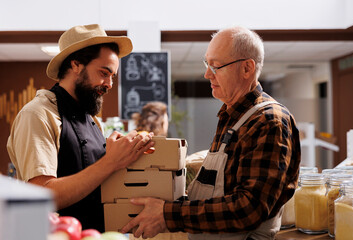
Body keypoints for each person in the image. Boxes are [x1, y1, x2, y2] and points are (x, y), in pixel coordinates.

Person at [121, 26, 301, 240]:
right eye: (207, 64)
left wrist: (168, 214)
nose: (207, 74)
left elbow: (249, 209)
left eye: (216, 66)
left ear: (247, 68)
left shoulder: (269, 121)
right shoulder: (231, 115)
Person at [7, 24, 154, 232]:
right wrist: (110, 162)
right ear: (76, 65)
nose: (110, 84)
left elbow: (95, 178)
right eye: (104, 73)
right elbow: (43, 195)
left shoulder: (90, 118)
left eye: (113, 76)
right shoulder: (38, 114)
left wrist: (130, 155)